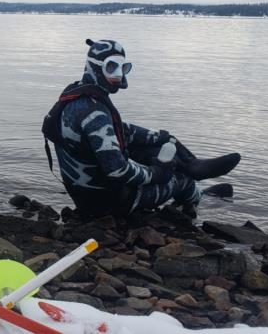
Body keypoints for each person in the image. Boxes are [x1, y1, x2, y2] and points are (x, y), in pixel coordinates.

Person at [42, 39, 241, 218]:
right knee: (183, 179)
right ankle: (195, 197)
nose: (118, 75)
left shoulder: (76, 96)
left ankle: (192, 163)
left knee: (153, 146)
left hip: (86, 195)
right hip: (109, 204)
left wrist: (161, 137)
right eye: (111, 67)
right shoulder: (95, 113)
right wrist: (157, 173)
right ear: (95, 68)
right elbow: (117, 170)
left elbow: (119, 131)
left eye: (124, 68)